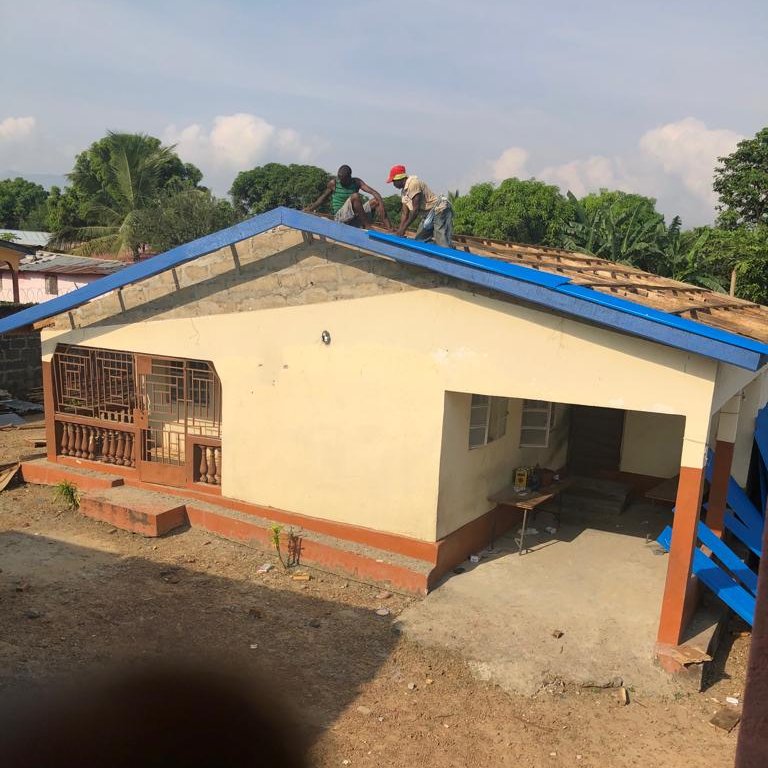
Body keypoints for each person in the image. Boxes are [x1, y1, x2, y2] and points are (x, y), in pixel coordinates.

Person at [304, 165, 391, 229]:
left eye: (343, 179)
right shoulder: (334, 183)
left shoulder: (356, 182)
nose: (341, 181)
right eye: (339, 178)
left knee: (376, 201)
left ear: (349, 177)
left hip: (355, 217)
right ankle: (367, 226)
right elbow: (323, 198)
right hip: (341, 218)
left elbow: (374, 193)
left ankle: (389, 228)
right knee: (355, 196)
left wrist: (381, 204)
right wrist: (310, 209)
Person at [386, 164, 453, 247]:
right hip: (428, 214)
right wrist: (400, 230)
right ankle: (440, 249)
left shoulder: (413, 183)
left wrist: (404, 228)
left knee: (442, 241)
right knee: (420, 240)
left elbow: (415, 210)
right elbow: (404, 213)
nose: (393, 184)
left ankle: (446, 250)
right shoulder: (404, 192)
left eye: (394, 181)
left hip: (439, 210)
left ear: (400, 178)